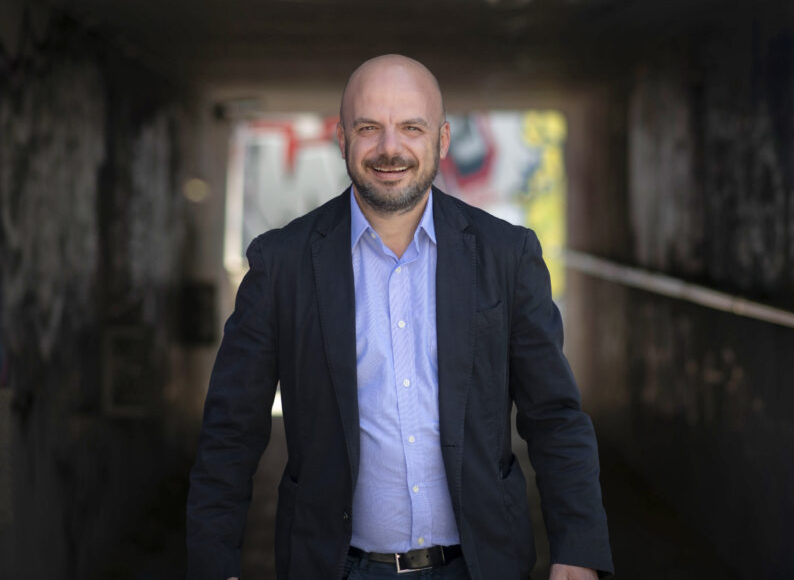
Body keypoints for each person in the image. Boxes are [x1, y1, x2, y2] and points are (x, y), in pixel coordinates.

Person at [187, 55, 612, 580]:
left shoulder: (506, 254)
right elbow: (231, 430)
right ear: (342, 140)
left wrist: (578, 547)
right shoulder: (282, 264)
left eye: (412, 127)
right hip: (334, 567)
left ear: (443, 140)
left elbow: (555, 417)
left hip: (480, 566)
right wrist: (213, 562)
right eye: (370, 128)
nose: (391, 148)